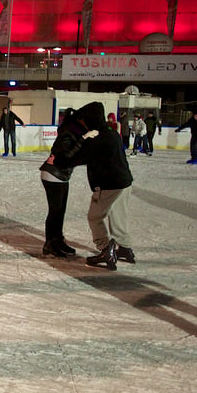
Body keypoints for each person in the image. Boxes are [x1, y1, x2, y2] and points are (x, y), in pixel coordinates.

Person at [55, 101, 134, 271]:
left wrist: (63, 157)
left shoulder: (96, 138)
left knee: (95, 217)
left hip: (109, 185)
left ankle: (105, 250)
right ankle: (125, 249)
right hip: (125, 182)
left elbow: (72, 160)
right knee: (118, 216)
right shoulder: (112, 133)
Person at [39, 108, 99, 258]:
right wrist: (83, 138)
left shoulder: (75, 131)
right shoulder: (68, 132)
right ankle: (50, 244)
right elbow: (65, 155)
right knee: (55, 211)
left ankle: (58, 240)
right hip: (53, 174)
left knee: (60, 211)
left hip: (62, 175)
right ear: (80, 120)